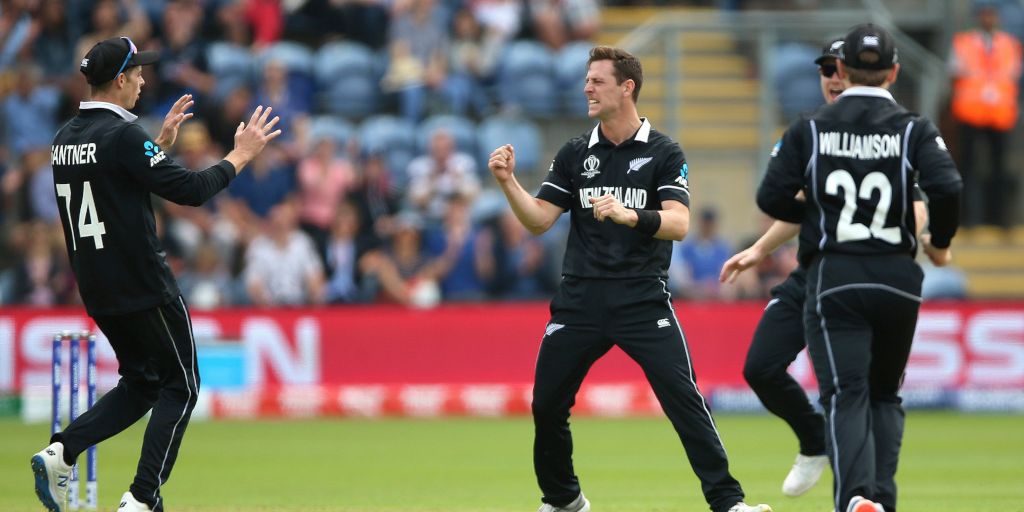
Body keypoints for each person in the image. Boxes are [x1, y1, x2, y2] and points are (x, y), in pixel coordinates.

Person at [487, 45, 771, 512]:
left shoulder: (663, 151)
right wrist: (508, 182)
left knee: (684, 400)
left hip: (642, 299)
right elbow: (539, 220)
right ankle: (564, 500)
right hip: (579, 299)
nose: (587, 88)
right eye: (586, 80)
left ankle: (728, 502)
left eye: (597, 81)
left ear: (627, 88)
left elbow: (679, 223)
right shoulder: (575, 152)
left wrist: (630, 214)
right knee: (547, 403)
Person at [31, 36, 280, 512]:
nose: (143, 81)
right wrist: (241, 155)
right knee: (182, 386)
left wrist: (157, 148)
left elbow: (111, 180)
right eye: (137, 73)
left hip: (97, 286)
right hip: (143, 283)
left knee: (143, 383)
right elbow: (191, 190)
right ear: (119, 80)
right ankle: (142, 498)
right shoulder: (124, 137)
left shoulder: (65, 138)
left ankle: (62, 452)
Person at [755, 24, 962, 512]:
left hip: (839, 275)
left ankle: (856, 498)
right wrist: (940, 245)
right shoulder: (914, 127)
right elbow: (948, 188)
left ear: (844, 70)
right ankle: (880, 501)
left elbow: (770, 196)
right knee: (885, 395)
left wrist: (817, 211)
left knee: (847, 394)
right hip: (899, 278)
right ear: (894, 72)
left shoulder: (812, 128)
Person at [721, 37, 926, 499]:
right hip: (812, 274)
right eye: (825, 70)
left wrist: (902, 244)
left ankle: (863, 496)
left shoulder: (887, 133)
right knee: (761, 367)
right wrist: (759, 249)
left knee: (851, 392)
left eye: (839, 69)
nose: (832, 78)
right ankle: (814, 440)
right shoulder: (809, 132)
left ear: (855, 74)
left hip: (859, 273)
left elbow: (916, 206)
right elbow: (794, 205)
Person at [949, 1, 1022, 228]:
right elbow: (953, 74)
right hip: (970, 112)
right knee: (967, 167)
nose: (988, 18)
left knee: (1000, 167)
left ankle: (1000, 219)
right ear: (978, 17)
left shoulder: (1010, 44)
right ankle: (969, 218)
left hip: (1000, 114)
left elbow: (1014, 75)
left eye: (992, 14)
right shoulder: (963, 42)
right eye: (985, 14)